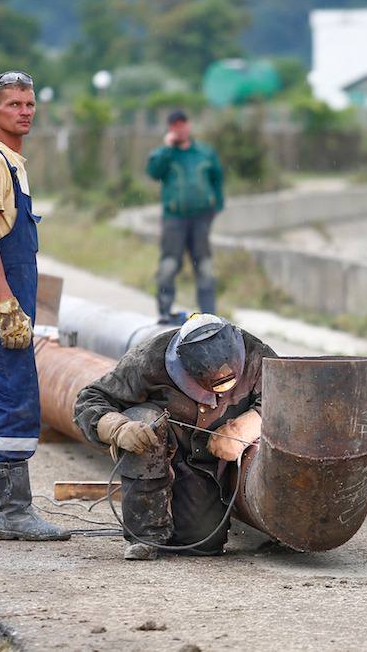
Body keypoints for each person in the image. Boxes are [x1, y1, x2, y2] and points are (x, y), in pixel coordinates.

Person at [0, 70, 69, 542]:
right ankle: (14, 513)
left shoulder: (12, 162)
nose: (23, 112)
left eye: (29, 104)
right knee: (16, 398)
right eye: (13, 105)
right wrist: (7, 304)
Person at [74, 314, 276, 560]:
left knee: (202, 544)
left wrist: (250, 424)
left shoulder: (256, 355)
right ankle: (146, 534)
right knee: (144, 420)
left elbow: (293, 398)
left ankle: (184, 516)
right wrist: (117, 428)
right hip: (165, 444)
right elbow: (90, 399)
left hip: (208, 464)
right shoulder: (153, 358)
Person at [146, 110, 225, 324]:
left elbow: (217, 179)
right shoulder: (165, 154)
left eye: (182, 124)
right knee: (169, 266)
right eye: (174, 125)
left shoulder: (204, 153)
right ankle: (164, 312)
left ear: (188, 126)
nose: (179, 128)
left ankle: (210, 317)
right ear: (170, 129)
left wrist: (215, 205)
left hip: (201, 219)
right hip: (174, 220)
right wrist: (166, 148)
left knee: (205, 267)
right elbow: (153, 172)